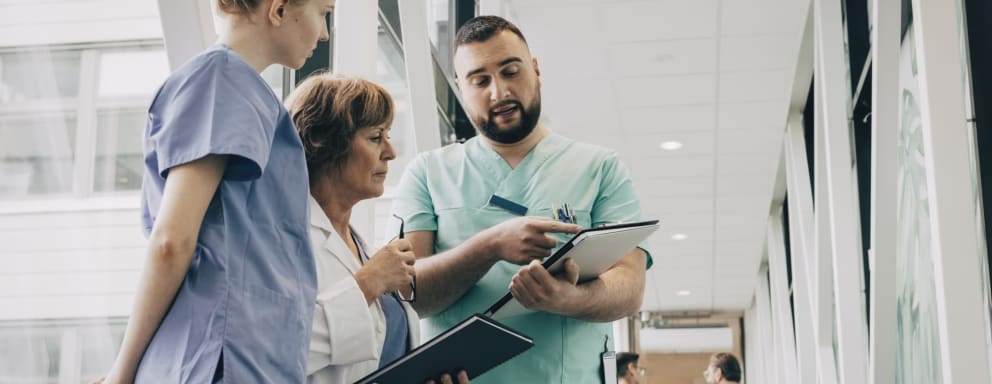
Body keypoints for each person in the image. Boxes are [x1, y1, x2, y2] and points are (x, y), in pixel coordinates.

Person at [391, 15, 651, 383]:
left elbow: (631, 286)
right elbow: (410, 291)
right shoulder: (428, 173)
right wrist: (491, 245)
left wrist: (568, 299)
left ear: (535, 69)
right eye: (480, 80)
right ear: (459, 89)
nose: (499, 92)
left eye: (511, 71)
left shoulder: (600, 168)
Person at [95, 1, 334, 383]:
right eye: (324, 12)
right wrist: (121, 373)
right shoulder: (221, 80)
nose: (324, 33)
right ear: (279, 9)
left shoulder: (241, 90)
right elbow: (172, 241)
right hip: (218, 359)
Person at [288, 74, 469, 384]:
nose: (391, 152)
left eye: (388, 135)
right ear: (322, 141)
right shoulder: (286, 242)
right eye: (375, 137)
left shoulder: (363, 247)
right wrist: (368, 283)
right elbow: (268, 352)